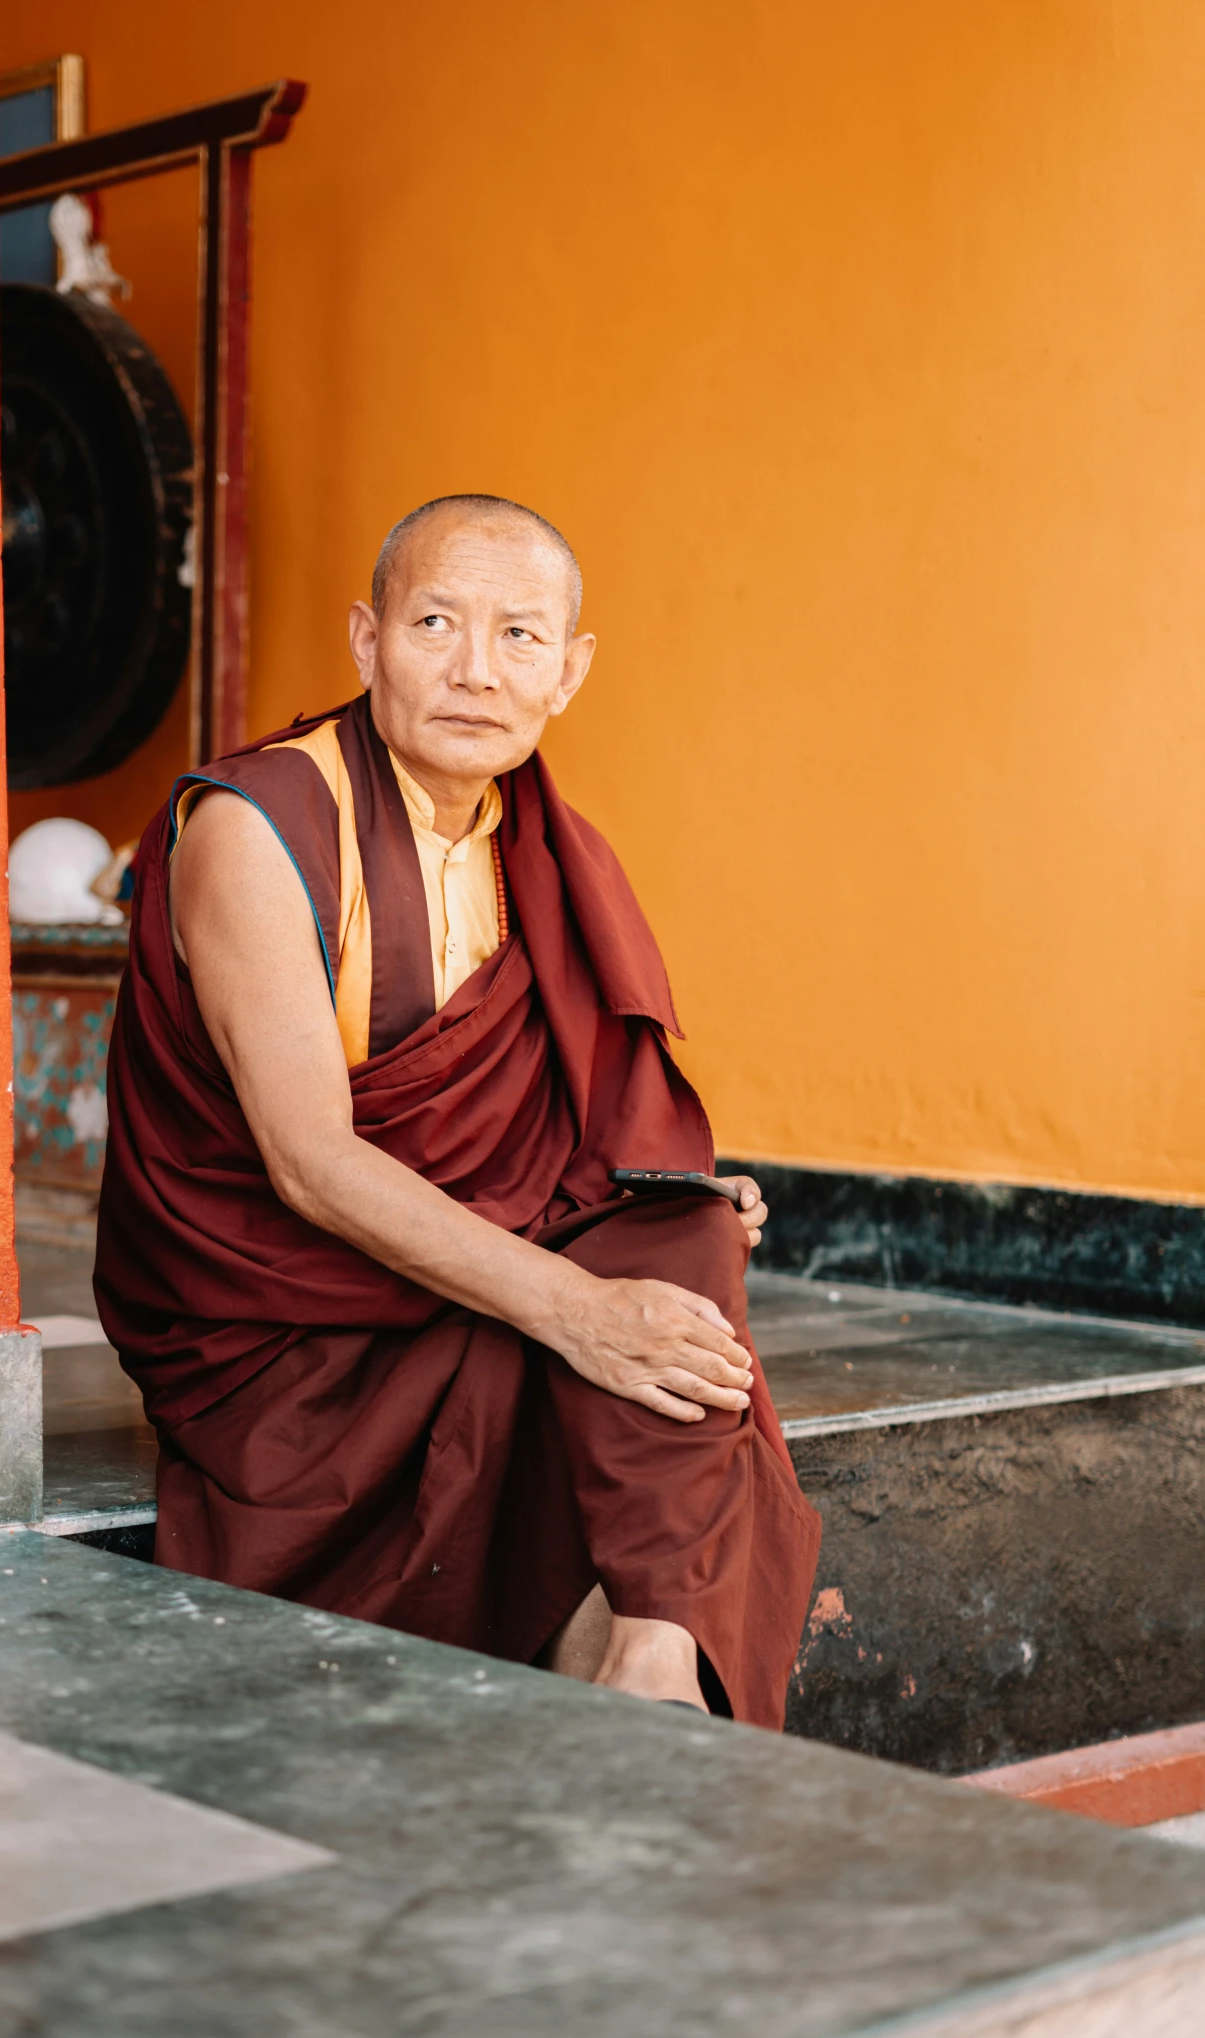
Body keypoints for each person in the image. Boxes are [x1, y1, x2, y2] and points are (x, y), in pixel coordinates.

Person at [96, 495, 821, 1718]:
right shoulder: (259, 827)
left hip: (446, 1257)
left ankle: (652, 1647)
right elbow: (310, 1164)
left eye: (520, 637)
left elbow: (568, 1129)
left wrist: (661, 1197)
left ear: (569, 671)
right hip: (277, 1323)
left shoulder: (538, 844)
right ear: (368, 641)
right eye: (435, 622)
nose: (476, 671)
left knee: (685, 1241)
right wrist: (576, 1308)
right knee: (607, 1343)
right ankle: (645, 1672)